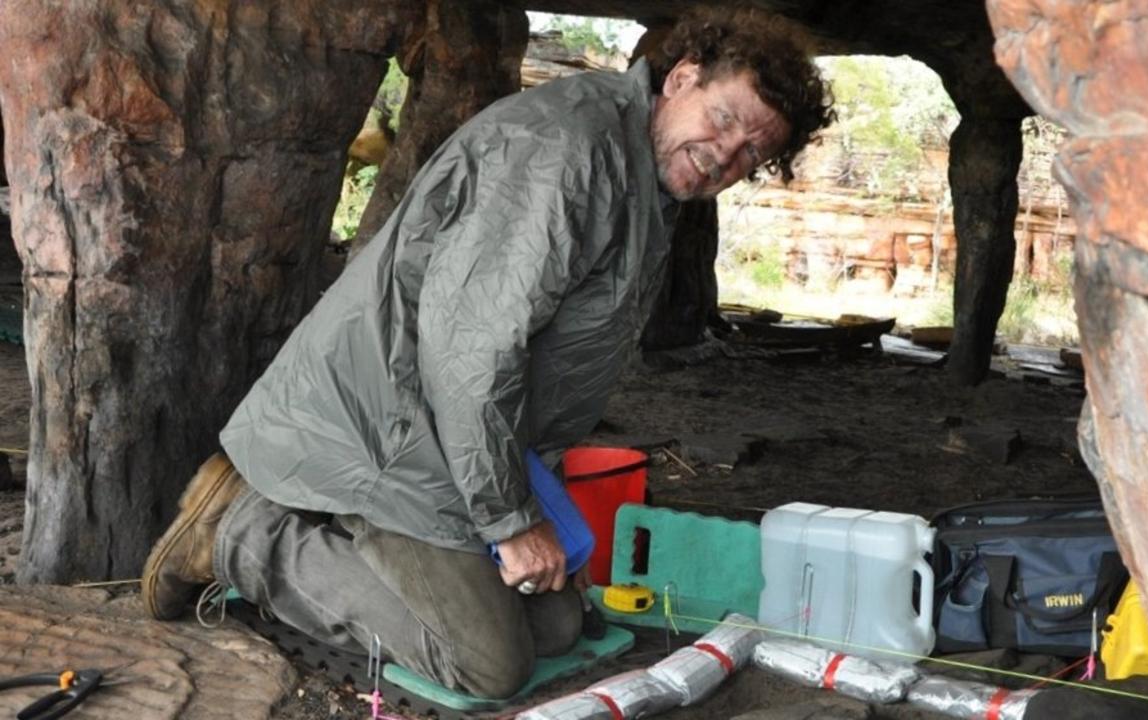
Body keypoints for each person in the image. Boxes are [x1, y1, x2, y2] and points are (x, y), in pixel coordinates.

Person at [142, 8, 834, 698]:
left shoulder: (642, 171)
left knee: (557, 625)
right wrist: (511, 521)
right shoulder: (566, 155)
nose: (726, 154)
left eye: (752, 152)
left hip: (449, 433)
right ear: (681, 79)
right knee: (488, 663)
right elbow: (472, 352)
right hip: (387, 422)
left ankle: (333, 523)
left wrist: (537, 508)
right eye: (723, 119)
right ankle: (242, 533)